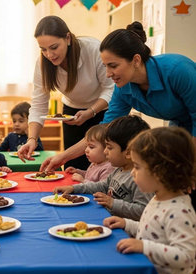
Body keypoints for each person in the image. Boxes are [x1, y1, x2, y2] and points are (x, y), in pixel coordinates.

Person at [41, 21, 196, 174]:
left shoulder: (178, 71)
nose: (108, 74)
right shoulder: (123, 89)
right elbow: (104, 129)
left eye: (113, 66)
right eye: (105, 66)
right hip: (180, 127)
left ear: (136, 60)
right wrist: (62, 157)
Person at [103, 127, 196, 274]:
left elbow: (185, 256)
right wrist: (127, 223)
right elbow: (153, 230)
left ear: (160, 172)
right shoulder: (158, 197)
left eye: (137, 167)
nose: (132, 173)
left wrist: (143, 247)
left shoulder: (178, 211)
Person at [17, 16, 114, 169]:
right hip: (72, 113)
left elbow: (111, 89)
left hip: (103, 109)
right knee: (73, 166)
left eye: (54, 47)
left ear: (68, 38)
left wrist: (91, 111)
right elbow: (38, 104)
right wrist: (32, 139)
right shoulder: (42, 63)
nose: (49, 54)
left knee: (103, 165)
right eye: (43, 49)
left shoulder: (94, 49)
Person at [54, 116, 151, 220]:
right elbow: (102, 186)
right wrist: (73, 188)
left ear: (127, 153)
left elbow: (143, 211)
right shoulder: (119, 170)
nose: (105, 152)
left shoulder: (140, 178)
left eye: (109, 147)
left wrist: (112, 203)